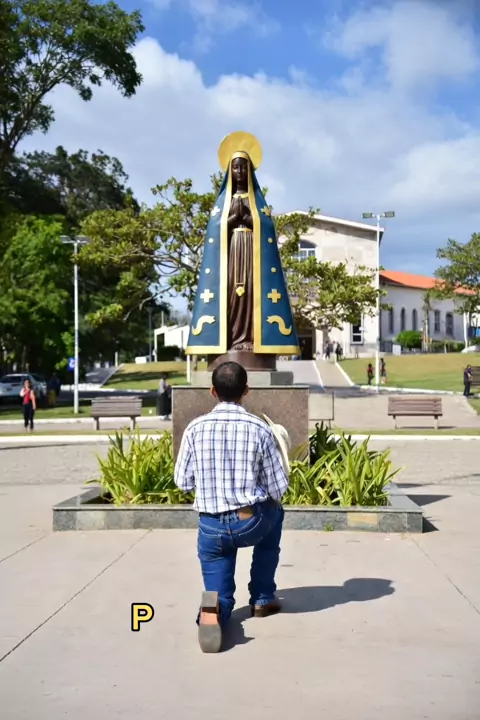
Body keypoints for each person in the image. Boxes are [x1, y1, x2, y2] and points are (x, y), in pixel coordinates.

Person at [174, 361, 288, 654]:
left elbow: (182, 482)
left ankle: (213, 611)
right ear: (246, 390)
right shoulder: (260, 429)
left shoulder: (194, 429)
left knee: (220, 592)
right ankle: (262, 597)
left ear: (213, 391)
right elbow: (278, 488)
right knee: (276, 513)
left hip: (211, 526)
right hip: (250, 521)